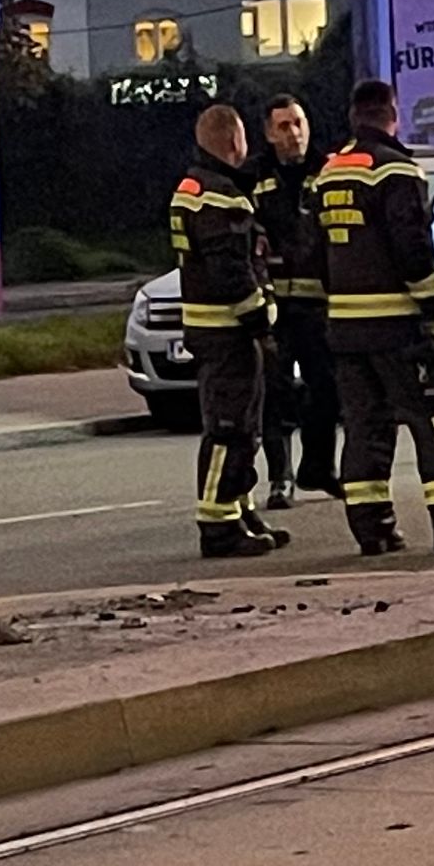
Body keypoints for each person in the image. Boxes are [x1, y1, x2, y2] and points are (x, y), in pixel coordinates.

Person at [312, 78, 434, 557]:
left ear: (353, 117)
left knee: (365, 427)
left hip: (346, 329)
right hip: (398, 326)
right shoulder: (396, 171)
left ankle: (373, 529)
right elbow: (415, 252)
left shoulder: (329, 174)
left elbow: (314, 254)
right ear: (392, 114)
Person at [170, 102, 284, 561]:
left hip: (207, 328)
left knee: (240, 427)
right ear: (235, 142)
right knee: (230, 429)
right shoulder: (223, 198)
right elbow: (232, 270)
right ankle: (219, 526)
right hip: (229, 332)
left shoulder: (191, 189)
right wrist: (261, 319)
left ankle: (240, 510)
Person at [246, 93, 340, 505]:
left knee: (328, 389)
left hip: (317, 304)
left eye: (299, 123)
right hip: (270, 308)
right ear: (268, 133)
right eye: (284, 126)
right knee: (275, 392)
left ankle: (319, 468)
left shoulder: (327, 171)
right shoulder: (253, 177)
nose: (294, 133)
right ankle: (279, 478)